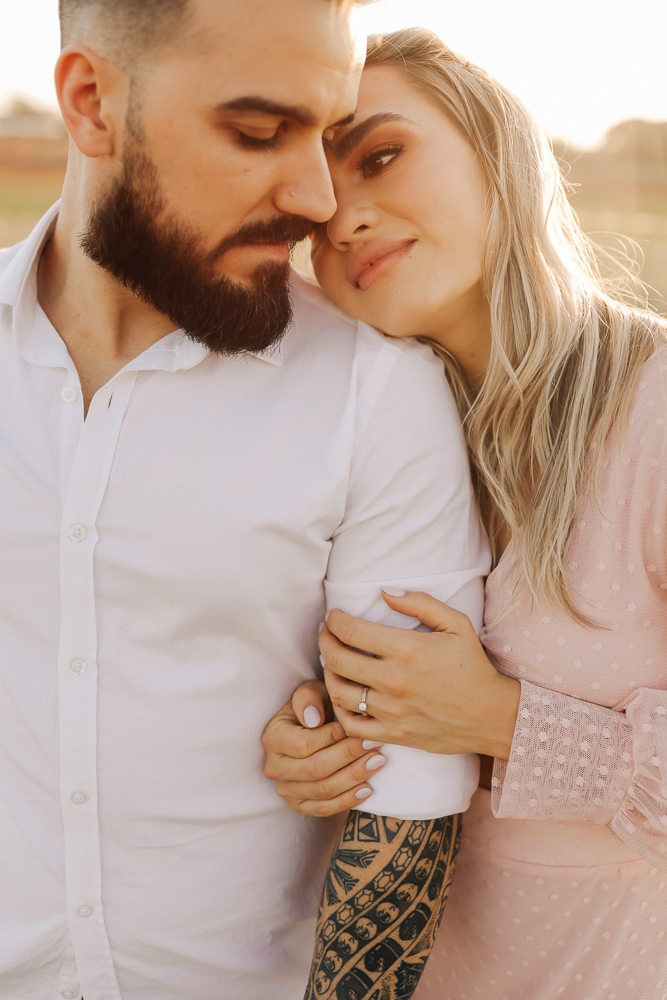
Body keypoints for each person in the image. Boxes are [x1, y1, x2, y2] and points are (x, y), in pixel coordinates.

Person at [0, 3, 492, 999]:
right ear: (91, 103)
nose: (318, 198)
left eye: (329, 133)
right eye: (260, 132)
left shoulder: (375, 392)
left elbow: (409, 787)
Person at [263, 28, 667, 999]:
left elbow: (471, 715)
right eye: (313, 208)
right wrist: (316, 745)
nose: (345, 218)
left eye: (380, 155)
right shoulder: (370, 446)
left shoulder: (653, 409)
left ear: (495, 144)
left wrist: (501, 721)